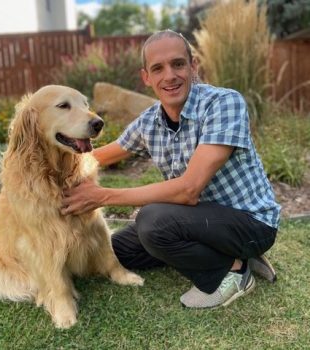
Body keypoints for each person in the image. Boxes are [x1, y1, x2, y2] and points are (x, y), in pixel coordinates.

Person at [61, 29, 281, 309]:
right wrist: (56, 161)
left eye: (178, 64)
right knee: (117, 249)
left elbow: (189, 190)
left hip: (250, 223)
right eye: (158, 68)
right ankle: (221, 250)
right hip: (198, 221)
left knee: (152, 221)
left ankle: (233, 270)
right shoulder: (150, 121)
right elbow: (101, 155)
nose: (169, 76)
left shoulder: (224, 103)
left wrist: (102, 195)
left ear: (193, 67)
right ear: (146, 77)